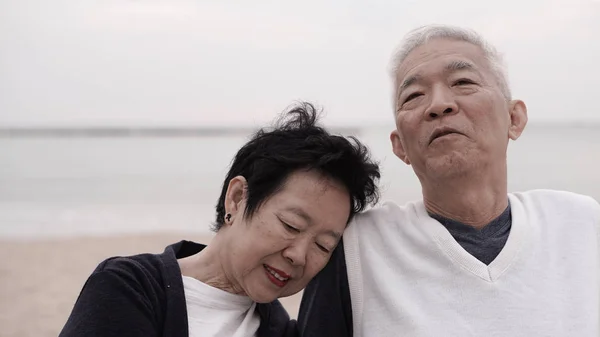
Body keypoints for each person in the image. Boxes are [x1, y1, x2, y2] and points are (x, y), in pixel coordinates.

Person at [298, 25, 600, 337]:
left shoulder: (581, 223)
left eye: (463, 82)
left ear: (514, 118)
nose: (439, 104)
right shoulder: (357, 246)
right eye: (414, 95)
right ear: (400, 145)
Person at [59, 102, 380, 337]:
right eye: (291, 225)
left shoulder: (283, 331)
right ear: (238, 198)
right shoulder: (130, 287)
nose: (299, 255)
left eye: (323, 246)